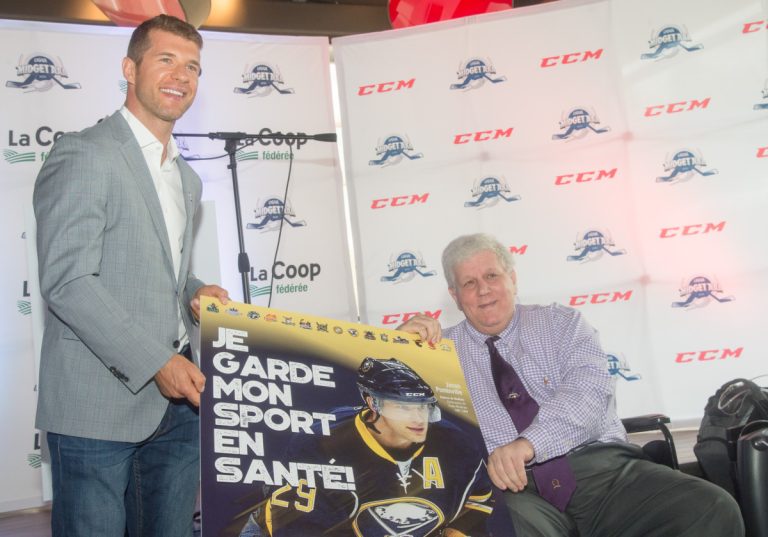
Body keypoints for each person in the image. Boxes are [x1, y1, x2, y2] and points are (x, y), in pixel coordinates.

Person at [401, 233, 744, 537]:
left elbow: (589, 394)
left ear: (512, 278)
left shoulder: (561, 322)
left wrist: (527, 444)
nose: (483, 289)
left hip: (603, 472)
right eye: (469, 283)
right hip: (515, 491)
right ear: (455, 296)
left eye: (492, 275)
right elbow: (383, 412)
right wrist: (396, 350)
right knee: (498, 527)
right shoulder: (437, 353)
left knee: (709, 507)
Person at [33, 15, 229, 537]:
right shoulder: (85, 153)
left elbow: (163, 272)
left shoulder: (184, 176)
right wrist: (155, 360)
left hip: (177, 407)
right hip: (95, 407)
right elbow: (69, 281)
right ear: (129, 67)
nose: (181, 76)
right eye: (166, 60)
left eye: (192, 66)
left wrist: (195, 292)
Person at [241, 357, 496, 537]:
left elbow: (477, 500)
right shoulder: (322, 441)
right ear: (373, 403)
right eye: (404, 408)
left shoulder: (455, 444)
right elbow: (293, 526)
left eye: (423, 407)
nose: (418, 419)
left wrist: (458, 531)